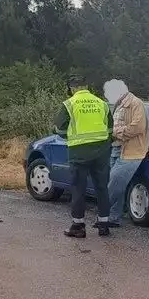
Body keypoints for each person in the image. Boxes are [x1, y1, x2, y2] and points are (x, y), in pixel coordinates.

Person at [54, 74, 113, 243]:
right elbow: (110, 129)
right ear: (87, 87)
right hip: (101, 151)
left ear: (71, 89)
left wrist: (72, 137)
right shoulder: (102, 103)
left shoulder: (69, 104)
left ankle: (78, 227)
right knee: (102, 187)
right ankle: (104, 225)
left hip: (79, 152)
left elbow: (59, 129)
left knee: (78, 189)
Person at [104, 79, 148, 227]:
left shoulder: (136, 104)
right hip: (117, 148)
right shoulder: (118, 104)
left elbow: (137, 127)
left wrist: (116, 133)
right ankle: (113, 218)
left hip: (131, 150)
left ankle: (102, 214)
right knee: (119, 185)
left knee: (114, 183)